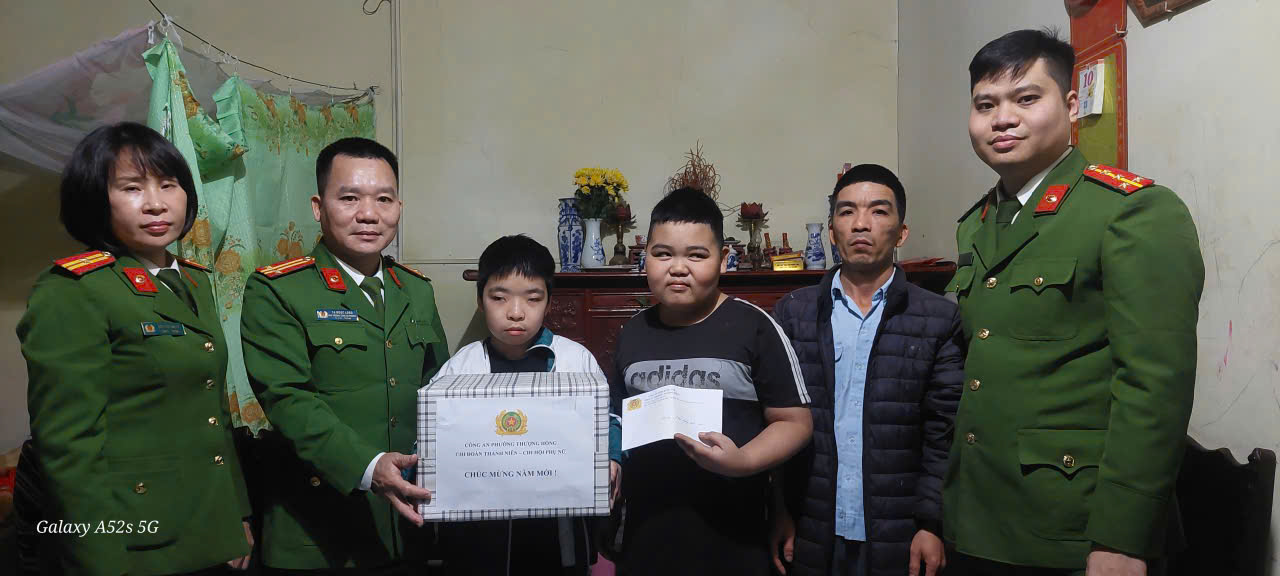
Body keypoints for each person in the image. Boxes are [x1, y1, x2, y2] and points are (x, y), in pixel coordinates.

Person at [943, 29, 1204, 575]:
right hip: (979, 517)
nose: (1003, 119)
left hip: (1077, 526)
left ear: (1069, 107)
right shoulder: (977, 224)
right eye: (985, 105)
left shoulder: (1130, 212)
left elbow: (1155, 386)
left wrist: (1124, 538)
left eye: (1026, 99)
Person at [17, 121, 253, 575]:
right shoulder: (74, 290)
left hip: (209, 524)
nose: (156, 203)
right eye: (131, 187)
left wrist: (235, 515)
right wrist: (100, 560)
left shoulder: (194, 281)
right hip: (133, 539)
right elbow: (68, 449)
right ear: (95, 198)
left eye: (168, 184)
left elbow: (214, 414)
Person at [239, 137, 448, 573]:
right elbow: (288, 399)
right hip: (320, 531)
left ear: (399, 207)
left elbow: (440, 393)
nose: (369, 214)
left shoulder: (417, 290)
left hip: (407, 525)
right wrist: (368, 467)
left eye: (383, 199)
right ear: (319, 208)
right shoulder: (279, 290)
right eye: (349, 198)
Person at [771, 164, 964, 576]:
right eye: (847, 212)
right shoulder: (793, 313)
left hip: (899, 529)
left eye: (878, 211)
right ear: (832, 230)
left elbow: (942, 432)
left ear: (901, 232)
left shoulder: (937, 318)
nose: (861, 224)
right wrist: (778, 510)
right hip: (811, 524)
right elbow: (774, 421)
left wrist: (931, 523)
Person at [609, 187, 813, 576]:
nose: (678, 267)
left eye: (696, 255)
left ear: (723, 259)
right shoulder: (632, 333)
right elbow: (617, 416)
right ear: (644, 258)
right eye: (662, 254)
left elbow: (796, 422)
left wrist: (743, 461)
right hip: (647, 532)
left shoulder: (754, 327)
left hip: (734, 534)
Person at [432, 234, 620, 575]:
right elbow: (431, 434)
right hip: (480, 535)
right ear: (480, 301)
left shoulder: (575, 360)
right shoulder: (461, 367)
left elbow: (607, 419)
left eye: (532, 299)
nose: (516, 313)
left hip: (558, 533)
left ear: (549, 303)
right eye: (499, 298)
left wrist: (612, 458)